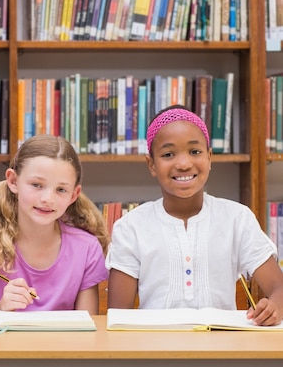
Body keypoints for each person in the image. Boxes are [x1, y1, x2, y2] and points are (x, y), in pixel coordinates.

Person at [106, 105, 283, 326]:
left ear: (209, 157)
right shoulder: (131, 227)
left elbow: (279, 288)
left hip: (223, 350)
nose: (183, 164)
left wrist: (275, 305)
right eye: (168, 154)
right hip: (153, 352)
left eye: (195, 152)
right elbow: (117, 317)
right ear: (151, 164)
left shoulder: (237, 218)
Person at [0, 134, 109, 312]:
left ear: (73, 195)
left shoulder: (87, 248)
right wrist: (0, 309)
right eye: (37, 185)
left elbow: (87, 327)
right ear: (13, 181)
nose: (47, 199)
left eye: (61, 189)